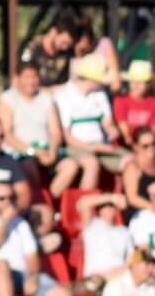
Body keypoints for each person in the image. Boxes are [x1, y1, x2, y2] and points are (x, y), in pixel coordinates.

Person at [50, 53, 122, 195]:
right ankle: (84, 205)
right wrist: (94, 147)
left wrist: (112, 131)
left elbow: (107, 122)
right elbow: (68, 137)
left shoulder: (100, 94)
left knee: (131, 161)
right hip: (76, 147)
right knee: (92, 164)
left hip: (102, 145)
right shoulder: (64, 96)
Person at [0, 61, 63, 185]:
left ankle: (50, 200)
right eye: (27, 77)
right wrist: (33, 151)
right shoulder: (7, 99)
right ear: (17, 78)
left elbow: (55, 132)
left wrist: (53, 151)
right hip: (20, 153)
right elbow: (7, 135)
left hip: (46, 151)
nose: (31, 81)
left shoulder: (47, 98)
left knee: (70, 166)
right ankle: (37, 200)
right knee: (29, 166)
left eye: (35, 76)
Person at [75, 192, 133, 292]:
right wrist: (111, 198)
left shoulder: (124, 231)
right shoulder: (92, 225)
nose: (109, 209)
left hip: (119, 275)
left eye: (112, 206)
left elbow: (131, 258)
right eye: (105, 207)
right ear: (99, 211)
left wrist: (117, 273)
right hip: (95, 278)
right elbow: (83, 204)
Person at [19, 8, 79, 87]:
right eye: (64, 42)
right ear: (54, 32)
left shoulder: (67, 54)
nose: (65, 48)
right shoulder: (32, 47)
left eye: (69, 45)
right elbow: (23, 75)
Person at [113, 60, 155, 147]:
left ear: (148, 85)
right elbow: (125, 133)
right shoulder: (121, 100)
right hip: (124, 146)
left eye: (140, 82)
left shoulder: (153, 103)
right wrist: (136, 147)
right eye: (133, 81)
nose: (135, 85)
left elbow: (153, 129)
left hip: (145, 144)